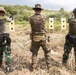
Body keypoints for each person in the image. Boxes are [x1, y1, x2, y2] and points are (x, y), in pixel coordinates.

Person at [29, 4, 51, 71]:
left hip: (34, 37)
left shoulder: (31, 18)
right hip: (42, 37)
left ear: (34, 10)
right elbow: (44, 27)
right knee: (47, 52)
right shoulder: (44, 17)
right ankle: (49, 67)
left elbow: (32, 27)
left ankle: (33, 67)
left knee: (34, 53)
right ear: (40, 10)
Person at [0, 7, 12, 72]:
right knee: (7, 53)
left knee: (0, 53)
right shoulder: (4, 18)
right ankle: (7, 69)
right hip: (5, 38)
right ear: (3, 12)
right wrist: (11, 17)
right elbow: (10, 20)